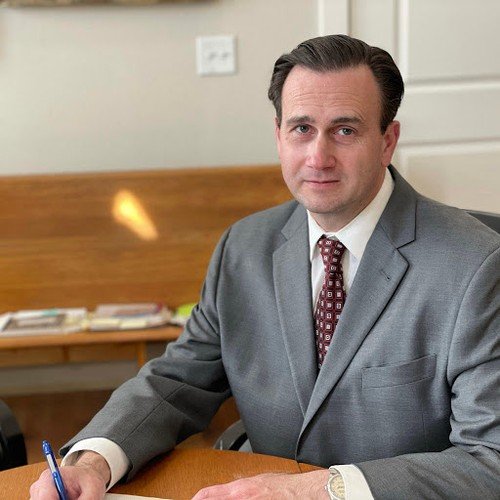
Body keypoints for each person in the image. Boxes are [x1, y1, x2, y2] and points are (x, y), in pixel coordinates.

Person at [31, 35, 499, 500]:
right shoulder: (244, 247)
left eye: (345, 131)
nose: (318, 157)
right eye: (301, 129)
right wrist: (92, 462)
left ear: (387, 141)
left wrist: (316, 490)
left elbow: (490, 458)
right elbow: (179, 379)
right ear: (278, 136)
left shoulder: (476, 265)